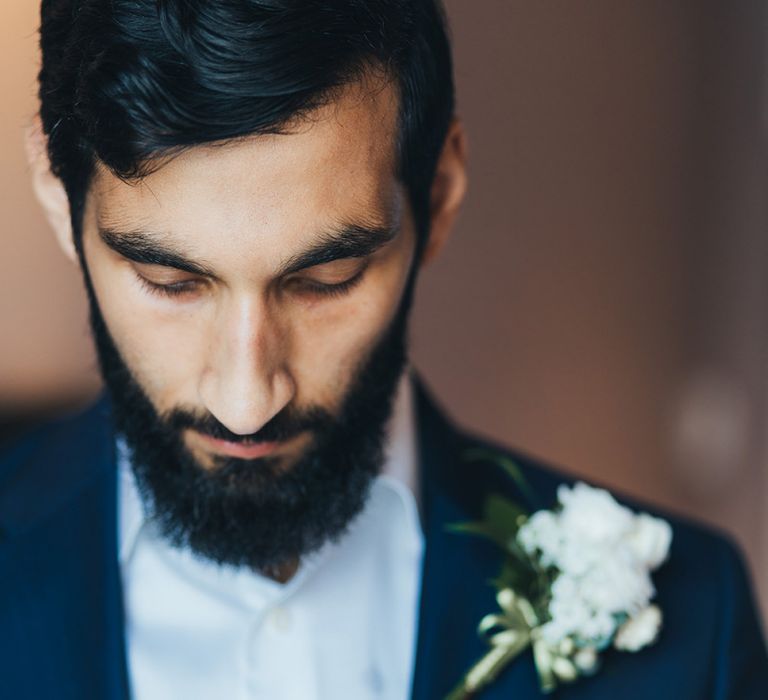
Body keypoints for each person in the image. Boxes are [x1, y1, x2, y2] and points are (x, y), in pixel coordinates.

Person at [1, 1, 766, 698]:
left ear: (438, 196)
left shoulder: (691, 627)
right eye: (168, 281)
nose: (246, 399)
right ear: (56, 195)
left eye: (326, 279)